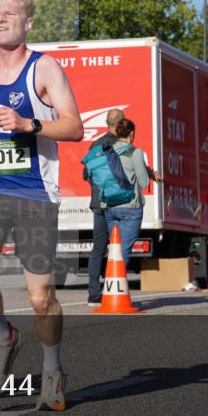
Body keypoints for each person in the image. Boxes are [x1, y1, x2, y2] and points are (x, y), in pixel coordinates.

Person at [0, 0, 83, 412]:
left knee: (39, 296)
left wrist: (29, 125)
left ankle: (52, 369)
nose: (1, 18)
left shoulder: (45, 69)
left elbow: (75, 127)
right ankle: (3, 338)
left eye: (11, 13)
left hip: (34, 193)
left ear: (27, 22)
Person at [104, 118, 159, 273]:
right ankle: (115, 291)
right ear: (132, 133)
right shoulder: (135, 152)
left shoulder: (108, 151)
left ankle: (110, 289)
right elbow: (142, 182)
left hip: (110, 206)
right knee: (124, 252)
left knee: (114, 250)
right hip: (130, 208)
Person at [83, 108, 125, 305]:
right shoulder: (121, 145)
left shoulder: (96, 144)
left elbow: (86, 174)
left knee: (98, 247)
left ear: (107, 123)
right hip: (117, 202)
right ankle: (116, 290)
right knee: (119, 247)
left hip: (98, 201)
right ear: (121, 124)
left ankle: (94, 294)